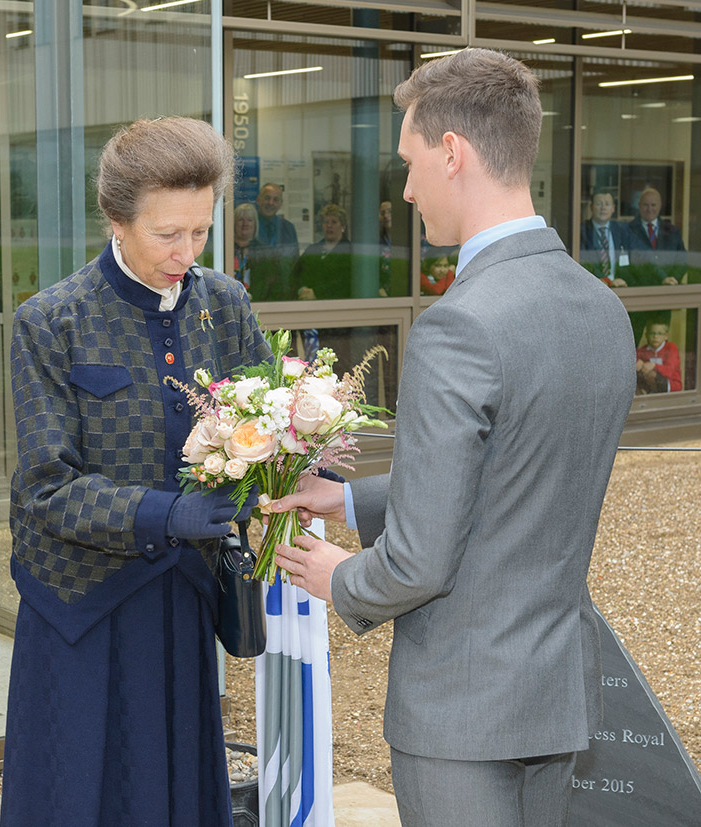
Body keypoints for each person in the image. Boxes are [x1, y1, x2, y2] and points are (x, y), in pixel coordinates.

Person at [272, 49, 635, 827]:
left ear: (451, 152)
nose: (404, 189)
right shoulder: (601, 309)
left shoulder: (458, 326)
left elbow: (418, 561)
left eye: (408, 163)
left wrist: (337, 576)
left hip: (462, 709)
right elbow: (516, 472)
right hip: (553, 691)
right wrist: (349, 499)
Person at [1, 117, 271, 827]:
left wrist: (261, 478)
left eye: (201, 231)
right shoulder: (50, 321)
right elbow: (44, 489)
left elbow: (269, 426)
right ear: (116, 221)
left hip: (183, 601)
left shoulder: (226, 306)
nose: (187, 253)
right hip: (80, 611)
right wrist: (167, 512)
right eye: (166, 234)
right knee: (80, 796)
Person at [626, 187, 687, 286]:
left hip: (669, 288)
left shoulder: (673, 231)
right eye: (645, 205)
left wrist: (673, 279)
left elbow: (683, 260)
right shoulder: (628, 231)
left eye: (653, 205)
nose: (649, 209)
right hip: (639, 289)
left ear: (660, 206)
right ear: (639, 206)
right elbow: (624, 264)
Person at [292, 203, 352, 301]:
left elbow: (345, 283)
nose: (329, 226)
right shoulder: (312, 250)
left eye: (334, 222)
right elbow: (295, 275)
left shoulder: (351, 252)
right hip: (306, 306)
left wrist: (317, 293)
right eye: (325, 222)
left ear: (343, 226)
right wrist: (301, 290)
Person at [232, 202, 284, 301]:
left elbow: (275, 285)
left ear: (255, 224)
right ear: (234, 223)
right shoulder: (226, 250)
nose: (245, 224)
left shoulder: (266, 252)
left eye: (250, 220)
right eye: (240, 220)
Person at [579, 191, 630, 286]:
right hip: (593, 287)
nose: (603, 208)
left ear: (613, 208)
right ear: (591, 207)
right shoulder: (582, 231)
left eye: (607, 204)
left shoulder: (622, 230)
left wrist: (622, 278)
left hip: (619, 286)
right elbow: (582, 264)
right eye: (599, 204)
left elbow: (629, 261)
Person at [636, 314, 682, 394]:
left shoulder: (671, 348)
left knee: (651, 374)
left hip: (671, 386)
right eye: (652, 333)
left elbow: (670, 371)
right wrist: (637, 363)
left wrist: (654, 365)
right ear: (646, 335)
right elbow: (634, 359)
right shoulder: (643, 350)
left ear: (666, 336)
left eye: (660, 333)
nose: (655, 337)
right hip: (650, 385)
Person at [255, 182, 299, 261]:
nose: (270, 203)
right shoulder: (248, 225)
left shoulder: (288, 228)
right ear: (258, 200)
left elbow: (295, 261)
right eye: (267, 198)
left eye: (275, 200)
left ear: (280, 204)